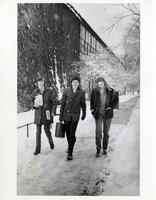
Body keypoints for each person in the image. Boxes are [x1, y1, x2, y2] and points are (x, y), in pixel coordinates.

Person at [59, 76, 86, 161]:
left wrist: (84, 113)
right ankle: (70, 145)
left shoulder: (81, 92)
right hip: (66, 115)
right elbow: (62, 103)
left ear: (79, 83)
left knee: (72, 132)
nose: (75, 83)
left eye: (77, 82)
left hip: (75, 116)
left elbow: (83, 103)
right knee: (68, 132)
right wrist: (60, 115)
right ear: (71, 82)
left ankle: (70, 152)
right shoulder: (66, 91)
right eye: (74, 82)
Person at [90, 77, 119, 157]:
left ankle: (105, 148)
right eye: (99, 84)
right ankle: (98, 149)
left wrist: (111, 107)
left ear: (104, 83)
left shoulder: (110, 90)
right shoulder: (94, 91)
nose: (100, 85)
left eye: (101, 83)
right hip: (98, 114)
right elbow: (92, 100)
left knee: (106, 132)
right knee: (98, 132)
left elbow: (116, 98)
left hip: (107, 114)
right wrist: (92, 109)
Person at [31, 75, 57, 155]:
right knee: (38, 132)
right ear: (37, 83)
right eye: (39, 82)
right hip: (38, 115)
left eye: (42, 81)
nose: (41, 83)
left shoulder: (49, 91)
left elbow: (54, 102)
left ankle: (51, 142)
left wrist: (53, 111)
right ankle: (37, 149)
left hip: (47, 114)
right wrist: (33, 105)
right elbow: (31, 101)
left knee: (47, 131)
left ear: (44, 82)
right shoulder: (35, 92)